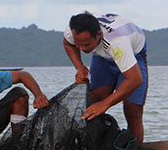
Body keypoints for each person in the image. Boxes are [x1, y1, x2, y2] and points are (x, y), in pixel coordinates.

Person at [62, 12, 149, 143]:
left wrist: (105, 104)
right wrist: (79, 67)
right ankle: (95, 149)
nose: (81, 48)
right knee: (94, 102)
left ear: (98, 35)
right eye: (78, 44)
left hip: (133, 55)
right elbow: (68, 44)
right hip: (102, 57)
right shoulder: (72, 30)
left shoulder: (117, 43)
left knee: (132, 111)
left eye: (86, 45)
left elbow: (135, 79)